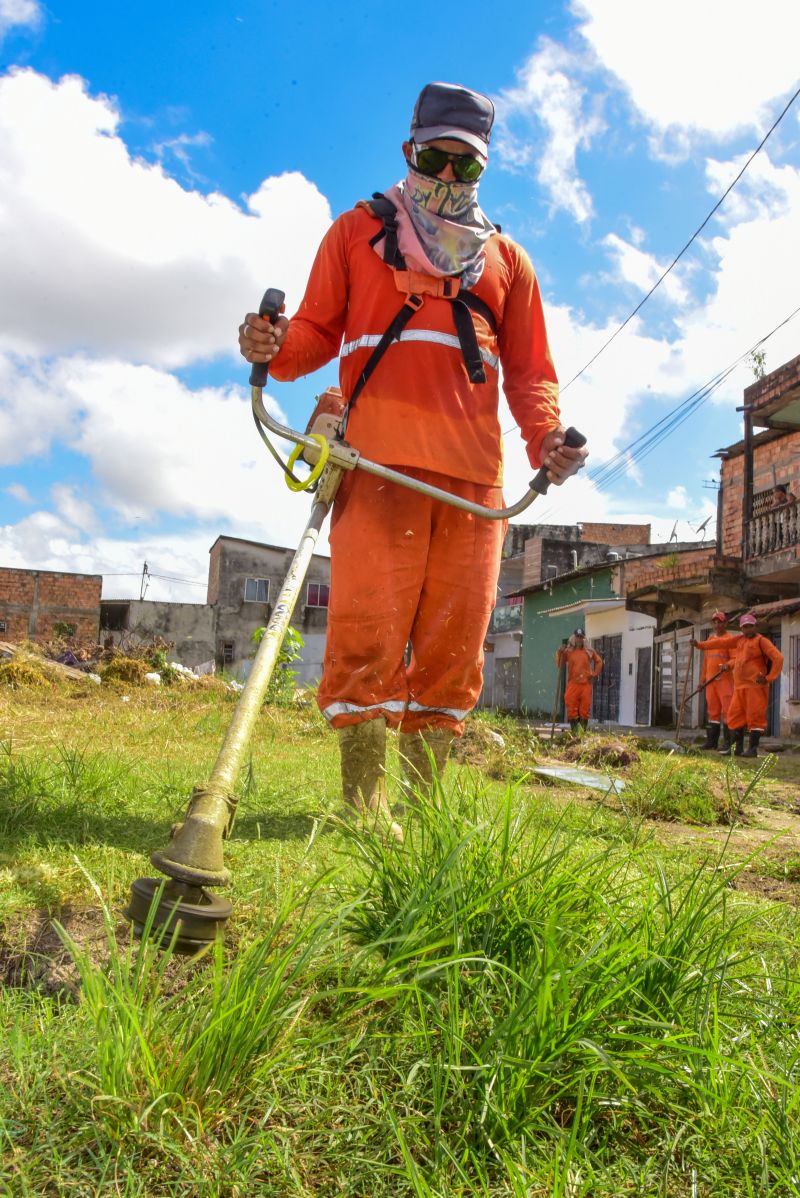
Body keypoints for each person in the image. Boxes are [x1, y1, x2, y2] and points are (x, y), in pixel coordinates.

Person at [239, 81, 587, 830]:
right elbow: (309, 340)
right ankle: (363, 808)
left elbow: (531, 374)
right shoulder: (355, 234)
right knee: (365, 632)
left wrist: (547, 442)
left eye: (468, 167)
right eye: (437, 158)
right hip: (377, 472)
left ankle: (424, 815)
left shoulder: (508, 263)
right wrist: (269, 343)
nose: (450, 178)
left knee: (453, 648)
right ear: (410, 151)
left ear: (483, 171)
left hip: (473, 487)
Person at [703, 613, 783, 757]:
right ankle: (736, 748)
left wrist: (769, 678)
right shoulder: (739, 640)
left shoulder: (761, 641)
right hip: (739, 687)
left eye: (750, 626)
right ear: (741, 629)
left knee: (755, 717)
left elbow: (778, 658)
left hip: (755, 687)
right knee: (734, 716)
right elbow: (719, 643)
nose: (747, 629)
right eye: (744, 627)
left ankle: (752, 749)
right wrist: (700, 645)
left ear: (755, 626)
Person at [692, 610, 737, 752]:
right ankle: (712, 742)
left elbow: (735, 659)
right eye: (715, 622)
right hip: (711, 682)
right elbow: (706, 664)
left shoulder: (730, 640)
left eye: (720, 622)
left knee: (728, 711)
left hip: (725, 681)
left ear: (726, 623)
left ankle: (728, 743)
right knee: (713, 712)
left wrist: (727, 665)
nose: (717, 625)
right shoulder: (710, 640)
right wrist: (701, 681)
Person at [555, 629, 602, 735]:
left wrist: (594, 674)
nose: (579, 639)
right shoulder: (568, 651)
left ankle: (582, 735)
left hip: (586, 684)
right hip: (573, 684)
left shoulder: (589, 651)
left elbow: (599, 662)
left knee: (584, 710)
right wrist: (560, 652)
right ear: (574, 638)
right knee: (571, 707)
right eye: (577, 636)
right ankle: (575, 734)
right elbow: (560, 664)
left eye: (581, 637)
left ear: (584, 638)